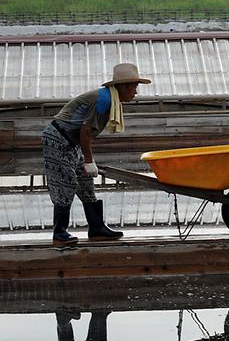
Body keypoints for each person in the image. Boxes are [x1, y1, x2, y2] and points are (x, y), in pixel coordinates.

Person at [42, 63, 151, 246]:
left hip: (71, 141)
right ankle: (59, 233)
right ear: (123, 87)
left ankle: (97, 228)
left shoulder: (109, 99)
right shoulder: (104, 100)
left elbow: (85, 134)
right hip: (58, 139)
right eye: (134, 87)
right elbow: (85, 132)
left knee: (85, 183)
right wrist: (89, 160)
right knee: (66, 183)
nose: (136, 92)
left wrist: (87, 161)